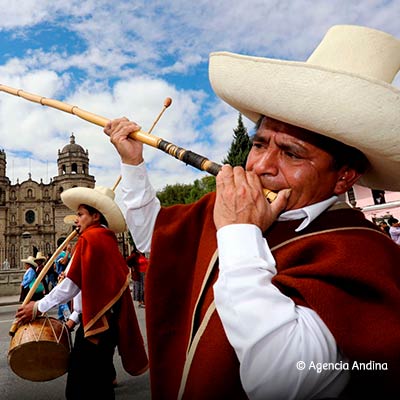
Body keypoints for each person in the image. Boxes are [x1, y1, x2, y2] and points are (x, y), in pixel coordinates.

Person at [104, 24, 400, 399]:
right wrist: (133, 165)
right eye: (260, 144)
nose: (261, 166)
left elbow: (282, 381)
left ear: (343, 177)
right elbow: (155, 240)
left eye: (292, 153)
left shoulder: (364, 253)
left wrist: (239, 234)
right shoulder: (232, 209)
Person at [15, 186, 148, 399]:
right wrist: (75, 317)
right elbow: (91, 286)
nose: (76, 220)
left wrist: (39, 306)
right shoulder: (105, 238)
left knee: (80, 388)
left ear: (95, 216)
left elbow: (72, 284)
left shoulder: (91, 239)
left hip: (96, 326)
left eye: (80, 214)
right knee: (99, 386)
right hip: (104, 324)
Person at [54, 239, 73, 321]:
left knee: (66, 298)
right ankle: (67, 316)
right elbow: (63, 262)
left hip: (67, 278)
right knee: (63, 298)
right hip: (62, 279)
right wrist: (68, 252)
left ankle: (61, 316)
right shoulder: (60, 254)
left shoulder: (66, 254)